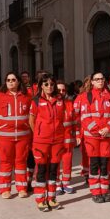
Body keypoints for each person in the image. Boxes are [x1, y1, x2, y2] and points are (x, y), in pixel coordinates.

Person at [75, 72, 110, 203]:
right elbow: (85, 117)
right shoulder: (86, 97)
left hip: (106, 137)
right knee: (94, 165)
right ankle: (95, 192)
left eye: (102, 79)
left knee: (105, 165)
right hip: (92, 138)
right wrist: (97, 130)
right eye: (97, 79)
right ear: (92, 82)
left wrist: (108, 129)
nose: (100, 81)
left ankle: (104, 191)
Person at [0, 72, 31, 199]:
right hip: (4, 137)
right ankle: (5, 189)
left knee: (21, 162)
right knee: (5, 162)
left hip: (22, 136)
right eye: (8, 80)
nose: (11, 82)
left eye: (13, 80)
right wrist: (3, 125)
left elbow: (31, 115)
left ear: (18, 82)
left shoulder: (26, 97)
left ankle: (22, 188)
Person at [29, 73, 65, 211]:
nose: (49, 86)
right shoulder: (36, 100)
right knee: (42, 170)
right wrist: (39, 133)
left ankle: (52, 197)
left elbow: (63, 119)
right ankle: (40, 199)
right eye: (46, 84)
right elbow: (31, 120)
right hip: (41, 141)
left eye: (51, 84)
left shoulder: (60, 99)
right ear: (41, 86)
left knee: (54, 170)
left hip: (57, 141)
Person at [56, 80, 80, 194]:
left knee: (67, 162)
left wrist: (78, 135)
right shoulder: (51, 103)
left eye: (63, 90)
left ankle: (66, 183)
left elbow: (76, 121)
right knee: (55, 162)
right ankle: (56, 183)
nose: (61, 92)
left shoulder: (70, 104)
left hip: (68, 139)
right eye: (59, 90)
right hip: (55, 139)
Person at [73, 75, 92, 183]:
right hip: (84, 131)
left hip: (96, 130)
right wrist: (77, 133)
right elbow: (75, 116)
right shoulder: (80, 97)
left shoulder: (100, 95)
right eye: (88, 83)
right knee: (86, 154)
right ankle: (87, 173)